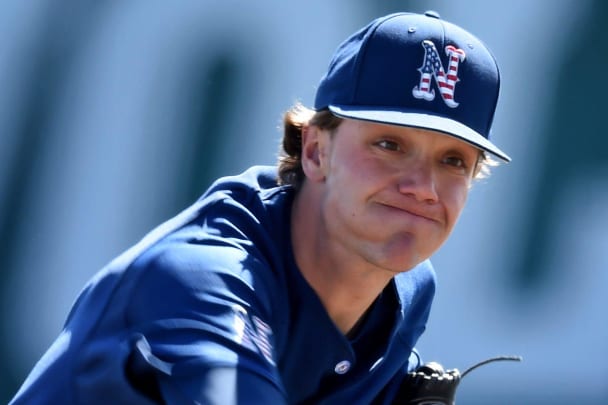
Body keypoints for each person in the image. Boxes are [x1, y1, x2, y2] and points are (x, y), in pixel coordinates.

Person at [10, 10, 511, 404]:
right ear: (316, 151)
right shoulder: (200, 280)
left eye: (453, 161)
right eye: (389, 145)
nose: (424, 186)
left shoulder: (405, 291)